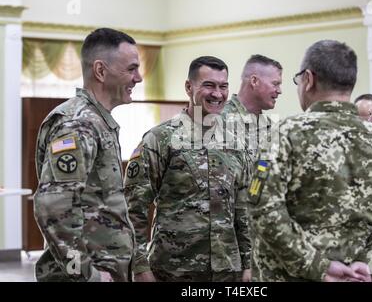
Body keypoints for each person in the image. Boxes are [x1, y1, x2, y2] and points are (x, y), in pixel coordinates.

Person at [247, 40, 372, 282]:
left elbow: (262, 208)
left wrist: (317, 266)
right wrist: (370, 263)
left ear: (309, 79)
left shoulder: (283, 135)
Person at [124, 56, 251, 282]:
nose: (218, 94)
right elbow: (134, 209)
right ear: (188, 87)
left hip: (227, 272)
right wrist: (140, 267)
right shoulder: (160, 139)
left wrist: (249, 264)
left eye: (223, 86)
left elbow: (243, 210)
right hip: (173, 271)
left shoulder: (236, 143)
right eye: (209, 85)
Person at [33, 28, 142, 282]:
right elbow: (53, 209)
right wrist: (86, 275)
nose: (139, 78)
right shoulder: (79, 124)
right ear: (101, 71)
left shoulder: (97, 121)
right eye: (131, 69)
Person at [222, 54, 282, 163]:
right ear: (254, 81)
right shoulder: (218, 120)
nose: (279, 91)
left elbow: (266, 167)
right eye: (275, 84)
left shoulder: (271, 128)